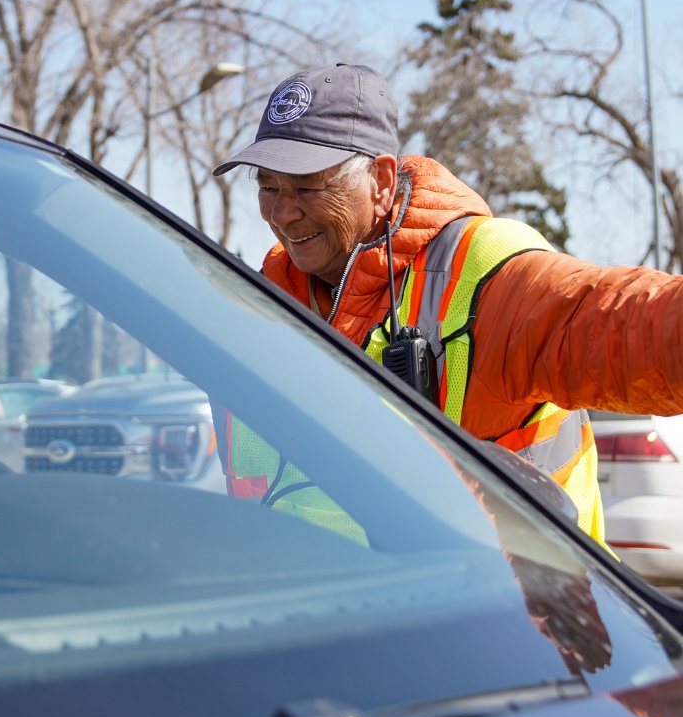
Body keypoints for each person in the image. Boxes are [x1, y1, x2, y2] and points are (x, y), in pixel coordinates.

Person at [212, 62, 683, 549]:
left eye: (308, 186)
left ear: (380, 180)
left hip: (509, 619)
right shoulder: (255, 305)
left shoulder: (483, 273)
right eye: (268, 187)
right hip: (313, 618)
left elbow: (636, 327)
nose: (283, 213)